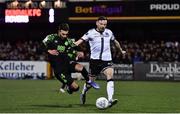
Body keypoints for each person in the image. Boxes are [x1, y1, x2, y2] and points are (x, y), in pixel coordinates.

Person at [75, 16, 126, 107]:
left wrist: (121, 50)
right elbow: (78, 42)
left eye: (105, 24)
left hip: (107, 60)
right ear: (97, 23)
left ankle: (110, 99)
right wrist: (71, 48)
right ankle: (83, 92)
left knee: (110, 75)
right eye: (101, 24)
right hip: (95, 61)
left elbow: (115, 42)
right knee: (90, 83)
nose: (103, 26)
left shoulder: (109, 32)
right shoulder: (90, 33)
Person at [42, 23, 100, 94]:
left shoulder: (69, 41)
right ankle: (68, 87)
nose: (65, 36)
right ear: (59, 31)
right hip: (59, 70)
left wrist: (78, 52)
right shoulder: (51, 37)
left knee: (81, 68)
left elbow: (74, 49)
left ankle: (89, 81)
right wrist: (49, 51)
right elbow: (41, 46)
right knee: (76, 88)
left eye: (66, 34)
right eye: (63, 34)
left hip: (67, 63)